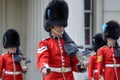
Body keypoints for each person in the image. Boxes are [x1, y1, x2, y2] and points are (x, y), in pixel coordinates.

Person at [36, 0, 88, 80]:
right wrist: (44, 67)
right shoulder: (45, 43)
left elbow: (73, 63)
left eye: (62, 25)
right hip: (52, 77)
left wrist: (81, 65)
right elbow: (43, 58)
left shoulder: (67, 42)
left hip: (68, 77)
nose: (61, 28)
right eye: (58, 26)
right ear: (51, 26)